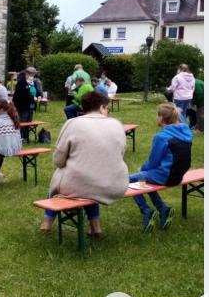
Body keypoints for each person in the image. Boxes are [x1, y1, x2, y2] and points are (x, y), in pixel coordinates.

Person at [40, 92, 129, 238]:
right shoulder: (116, 124)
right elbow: (120, 153)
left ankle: (46, 223)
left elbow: (58, 160)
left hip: (82, 185)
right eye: (107, 108)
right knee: (90, 181)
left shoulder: (73, 123)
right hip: (115, 184)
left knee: (66, 178)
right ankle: (96, 227)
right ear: (101, 108)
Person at [130, 103, 193, 232]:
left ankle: (146, 210)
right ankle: (162, 208)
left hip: (165, 175)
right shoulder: (186, 132)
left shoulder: (162, 137)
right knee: (144, 179)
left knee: (130, 179)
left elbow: (153, 162)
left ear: (161, 118)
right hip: (178, 176)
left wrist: (142, 168)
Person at [12, 71, 34, 142]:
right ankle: (22, 137)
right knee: (23, 122)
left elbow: (15, 96)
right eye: (27, 75)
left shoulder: (19, 84)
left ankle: (19, 136)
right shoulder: (24, 84)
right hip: (24, 106)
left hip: (18, 106)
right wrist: (32, 99)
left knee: (19, 121)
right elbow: (27, 95)